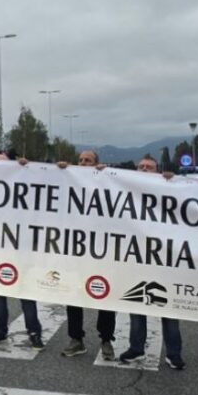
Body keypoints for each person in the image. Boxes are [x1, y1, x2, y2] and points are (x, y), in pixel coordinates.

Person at [116, 156, 185, 369]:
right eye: (141, 167)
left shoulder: (169, 188)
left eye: (150, 167)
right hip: (136, 258)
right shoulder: (126, 189)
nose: (145, 169)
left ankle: (174, 353)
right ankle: (136, 348)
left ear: (158, 170)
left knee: (168, 309)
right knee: (137, 306)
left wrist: (173, 181)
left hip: (164, 260)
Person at [57, 149, 116, 359]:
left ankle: (106, 340)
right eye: (80, 160)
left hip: (102, 251)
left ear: (96, 164)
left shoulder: (106, 181)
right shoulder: (69, 180)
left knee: (105, 297)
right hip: (75, 250)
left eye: (88, 161)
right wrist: (60, 172)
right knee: (73, 295)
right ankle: (76, 339)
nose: (83, 163)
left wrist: (106, 174)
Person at [0, 152, 43, 351]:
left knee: (26, 292)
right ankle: (0, 329)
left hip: (21, 249)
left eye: (4, 164)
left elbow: (43, 181)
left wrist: (27, 167)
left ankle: (34, 331)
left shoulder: (22, 183)